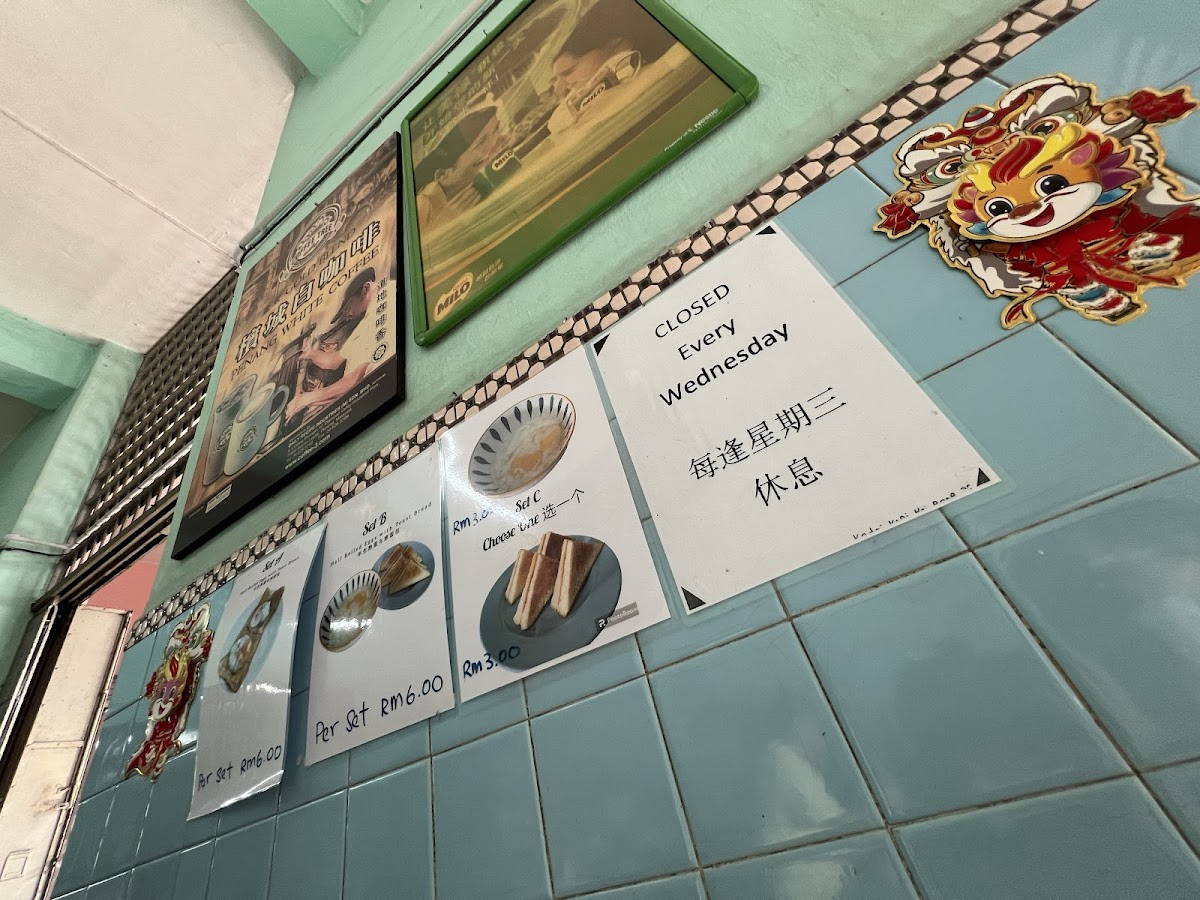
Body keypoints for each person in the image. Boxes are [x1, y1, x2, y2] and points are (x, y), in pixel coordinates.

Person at [415, 106, 513, 232]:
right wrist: (444, 226)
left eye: (496, 129)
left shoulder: (473, 183)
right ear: (443, 175)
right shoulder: (423, 206)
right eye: (481, 142)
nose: (494, 142)